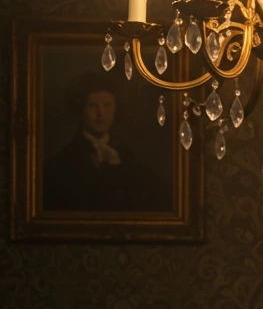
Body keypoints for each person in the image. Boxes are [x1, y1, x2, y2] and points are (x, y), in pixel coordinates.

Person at [42, 72, 169, 212]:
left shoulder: (131, 158)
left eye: (107, 105)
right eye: (92, 106)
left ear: (116, 109)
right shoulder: (58, 165)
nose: (101, 113)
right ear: (81, 109)